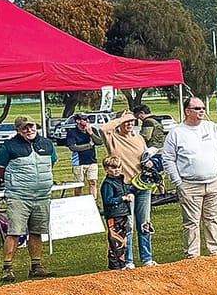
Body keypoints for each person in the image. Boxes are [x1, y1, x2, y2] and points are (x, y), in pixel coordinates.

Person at [163, 95, 217, 259]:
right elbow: (168, 159)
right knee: (191, 222)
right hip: (189, 184)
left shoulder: (211, 127)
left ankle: (215, 254)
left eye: (203, 108)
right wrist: (178, 182)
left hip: (214, 182)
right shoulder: (176, 133)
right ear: (187, 111)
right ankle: (193, 257)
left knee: (212, 219)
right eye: (197, 108)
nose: (202, 111)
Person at [0, 115, 57, 280]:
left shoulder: (47, 145)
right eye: (25, 127)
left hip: (42, 196)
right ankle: (7, 268)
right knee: (14, 232)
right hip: (18, 197)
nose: (29, 130)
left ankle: (36, 266)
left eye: (31, 126)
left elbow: (52, 162)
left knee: (37, 231)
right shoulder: (8, 147)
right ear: (18, 130)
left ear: (36, 126)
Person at [98, 110, 157, 267]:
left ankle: (147, 258)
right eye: (127, 121)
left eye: (132, 121)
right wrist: (120, 119)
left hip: (142, 185)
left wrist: (149, 163)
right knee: (127, 225)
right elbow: (103, 129)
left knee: (144, 223)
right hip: (124, 187)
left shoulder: (138, 138)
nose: (130, 123)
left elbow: (145, 156)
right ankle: (128, 260)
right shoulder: (113, 138)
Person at [99, 158, 134, 271]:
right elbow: (108, 200)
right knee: (115, 240)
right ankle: (116, 265)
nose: (117, 170)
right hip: (114, 215)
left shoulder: (120, 180)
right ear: (106, 169)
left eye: (118, 167)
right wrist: (123, 198)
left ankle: (120, 264)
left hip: (122, 213)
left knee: (123, 240)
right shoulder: (108, 184)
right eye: (113, 168)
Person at [61, 113, 100, 192]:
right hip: (79, 162)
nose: (87, 121)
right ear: (78, 121)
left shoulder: (92, 130)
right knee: (79, 185)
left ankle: (93, 202)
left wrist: (91, 134)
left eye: (87, 119)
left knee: (93, 182)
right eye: (84, 119)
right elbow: (72, 147)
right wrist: (88, 146)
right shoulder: (72, 132)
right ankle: (77, 200)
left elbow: (100, 142)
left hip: (92, 161)